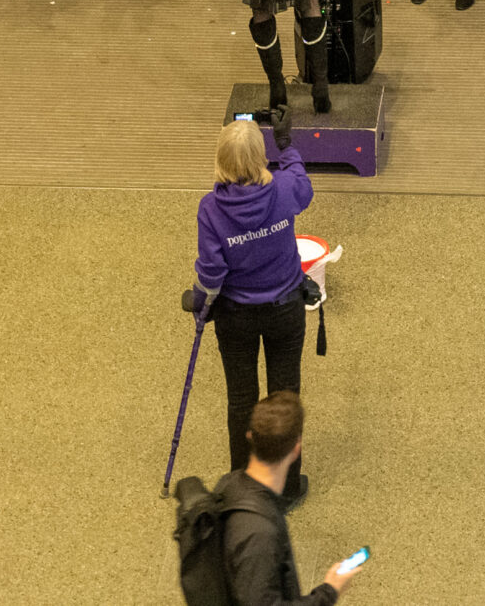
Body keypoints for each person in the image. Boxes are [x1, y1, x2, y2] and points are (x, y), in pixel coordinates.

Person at [190, 113, 315, 481]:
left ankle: (242, 482)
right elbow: (303, 183)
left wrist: (200, 301)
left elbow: (212, 273)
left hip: (236, 316)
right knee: (284, 397)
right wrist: (288, 145)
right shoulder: (284, 188)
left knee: (242, 399)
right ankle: (287, 484)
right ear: (261, 155)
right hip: (286, 309)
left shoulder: (211, 209)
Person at [218, 392, 366, 604]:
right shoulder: (260, 533)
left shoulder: (229, 485)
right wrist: (330, 591)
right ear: (297, 448)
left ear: (250, 436)